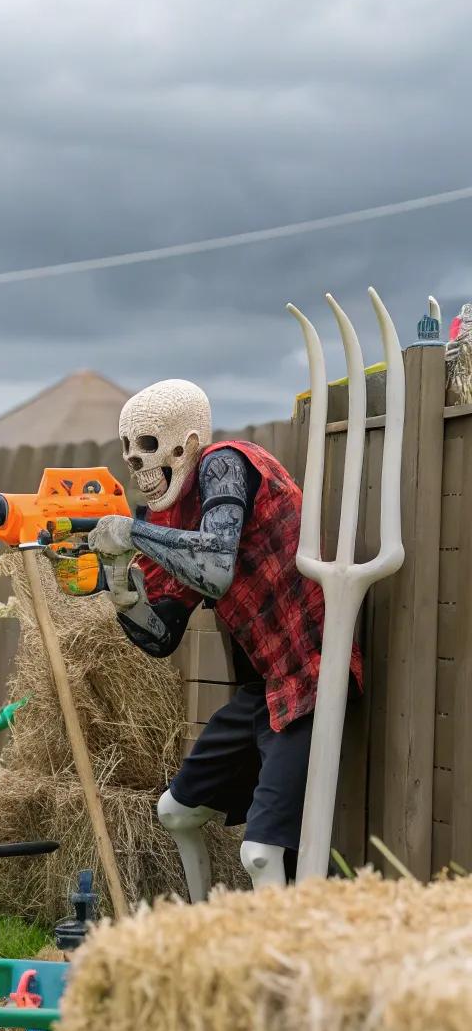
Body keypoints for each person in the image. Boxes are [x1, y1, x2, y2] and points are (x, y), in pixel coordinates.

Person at [73, 379, 360, 899]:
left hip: (311, 677)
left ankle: (274, 970)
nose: (138, 466)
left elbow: (214, 566)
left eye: (149, 447)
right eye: (128, 454)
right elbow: (162, 637)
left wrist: (133, 533)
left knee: (261, 853)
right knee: (175, 812)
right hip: (265, 690)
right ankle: (204, 930)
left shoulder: (226, 463)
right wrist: (122, 590)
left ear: (185, 444)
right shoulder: (172, 519)